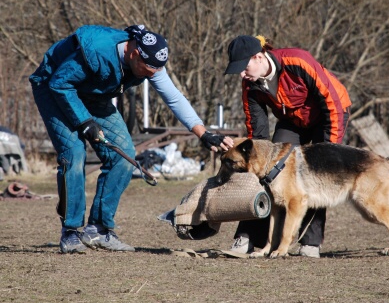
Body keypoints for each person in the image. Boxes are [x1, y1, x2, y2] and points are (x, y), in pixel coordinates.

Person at [30, 24, 234, 254]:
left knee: (124, 157)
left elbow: (173, 98)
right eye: (147, 70)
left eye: (155, 71)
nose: (151, 75)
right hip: (54, 87)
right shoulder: (97, 51)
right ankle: (71, 232)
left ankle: (99, 229)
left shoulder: (152, 62)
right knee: (74, 154)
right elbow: (60, 83)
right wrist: (84, 122)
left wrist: (203, 134)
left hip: (94, 94)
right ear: (133, 52)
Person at [224, 35, 351, 258]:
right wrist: (254, 162)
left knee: (316, 175)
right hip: (292, 122)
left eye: (244, 68)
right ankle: (250, 238)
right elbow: (257, 133)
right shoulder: (250, 84)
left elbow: (332, 103)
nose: (242, 75)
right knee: (268, 172)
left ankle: (310, 243)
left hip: (329, 114)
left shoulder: (298, 62)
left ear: (259, 57)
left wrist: (330, 150)